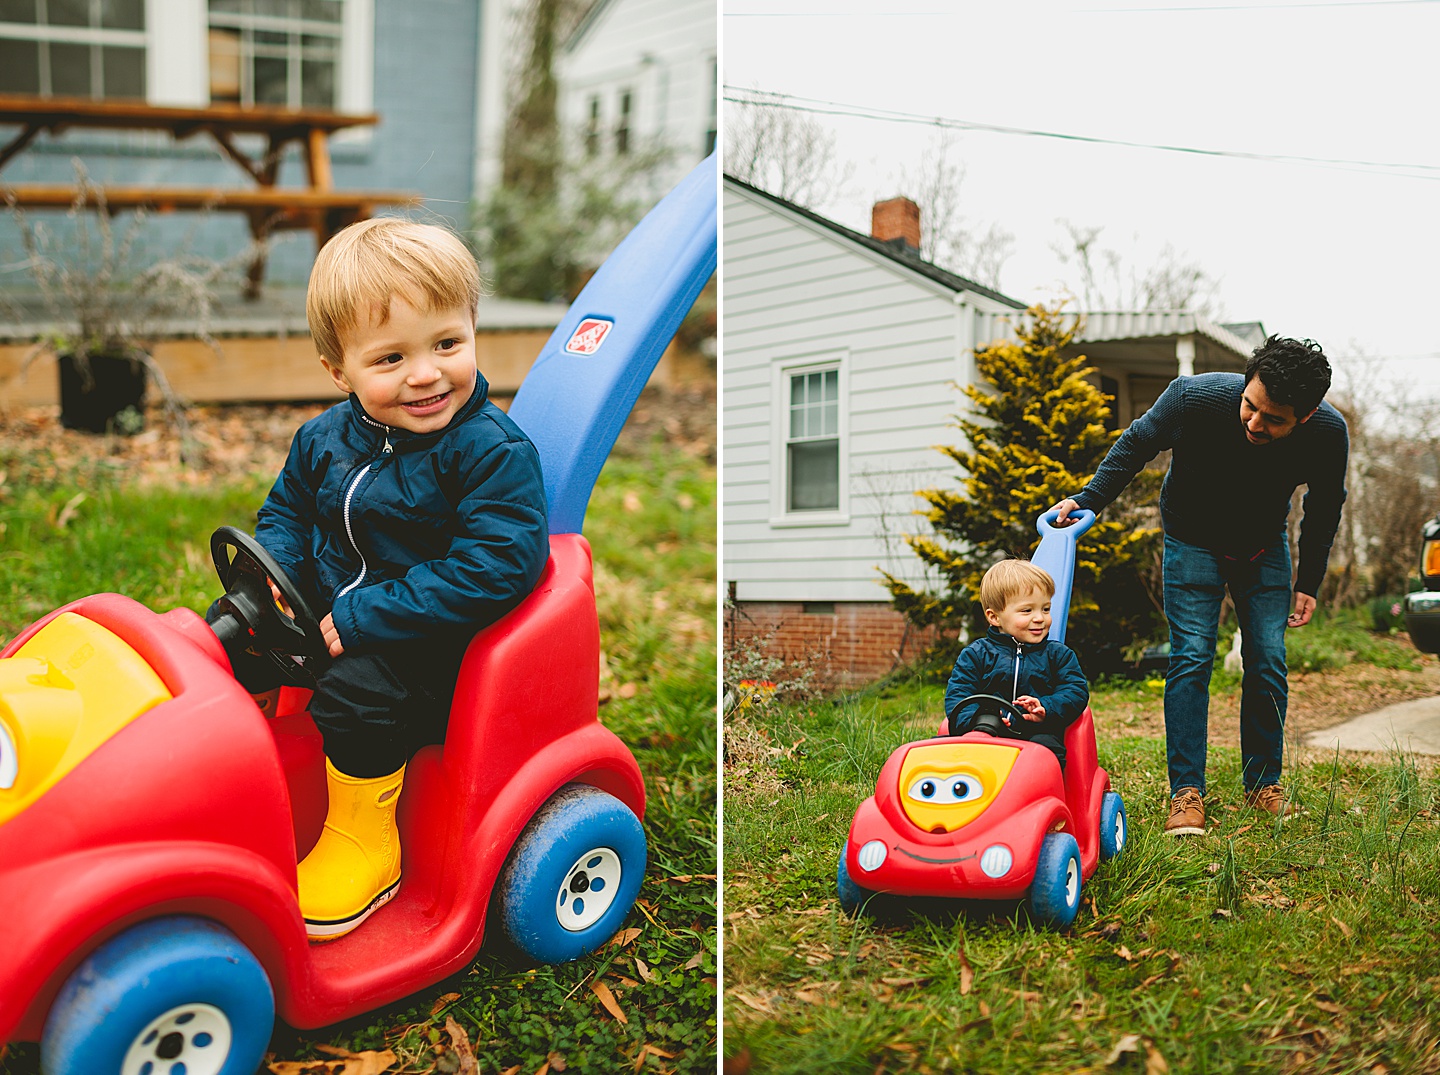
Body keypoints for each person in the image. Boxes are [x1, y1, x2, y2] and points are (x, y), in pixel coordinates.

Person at [211, 218, 548, 939]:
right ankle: (232, 780)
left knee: (360, 687)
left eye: (447, 344)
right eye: (391, 356)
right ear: (341, 371)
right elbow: (288, 514)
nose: (425, 373)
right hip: (332, 621)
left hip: (437, 653)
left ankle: (367, 841)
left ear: (473, 332)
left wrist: (367, 615)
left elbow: (498, 566)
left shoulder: (490, 454)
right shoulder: (323, 438)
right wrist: (275, 584)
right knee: (228, 630)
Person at [1050, 336, 1347, 836]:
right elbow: (1136, 444)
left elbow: (1323, 509)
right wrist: (1090, 500)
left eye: (1274, 419)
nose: (1255, 423)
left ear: (1307, 413)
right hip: (1191, 538)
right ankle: (1186, 793)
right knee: (1191, 656)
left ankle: (1263, 785)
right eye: (1250, 406)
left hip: (1262, 545)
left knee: (1269, 658)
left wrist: (1309, 580)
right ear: (1245, 383)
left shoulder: (1327, 433)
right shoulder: (1193, 398)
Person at [944, 559, 1089, 772]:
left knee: (1046, 751)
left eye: (1046, 609)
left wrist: (1046, 707)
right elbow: (958, 695)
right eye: (1027, 610)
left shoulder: (1058, 655)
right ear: (995, 617)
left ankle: (1041, 795)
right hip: (987, 732)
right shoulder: (976, 655)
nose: (1040, 618)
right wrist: (975, 722)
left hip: (1038, 733)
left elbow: (1076, 691)